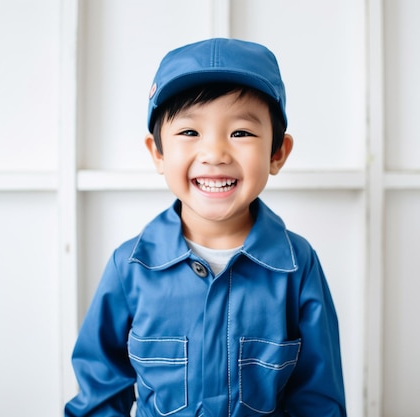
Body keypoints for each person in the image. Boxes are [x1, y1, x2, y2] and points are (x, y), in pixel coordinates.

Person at [65, 38, 346, 417]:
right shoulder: (130, 267)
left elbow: (318, 399)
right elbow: (100, 397)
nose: (215, 154)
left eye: (241, 133)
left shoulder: (298, 266)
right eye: (189, 132)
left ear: (277, 153)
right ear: (157, 153)